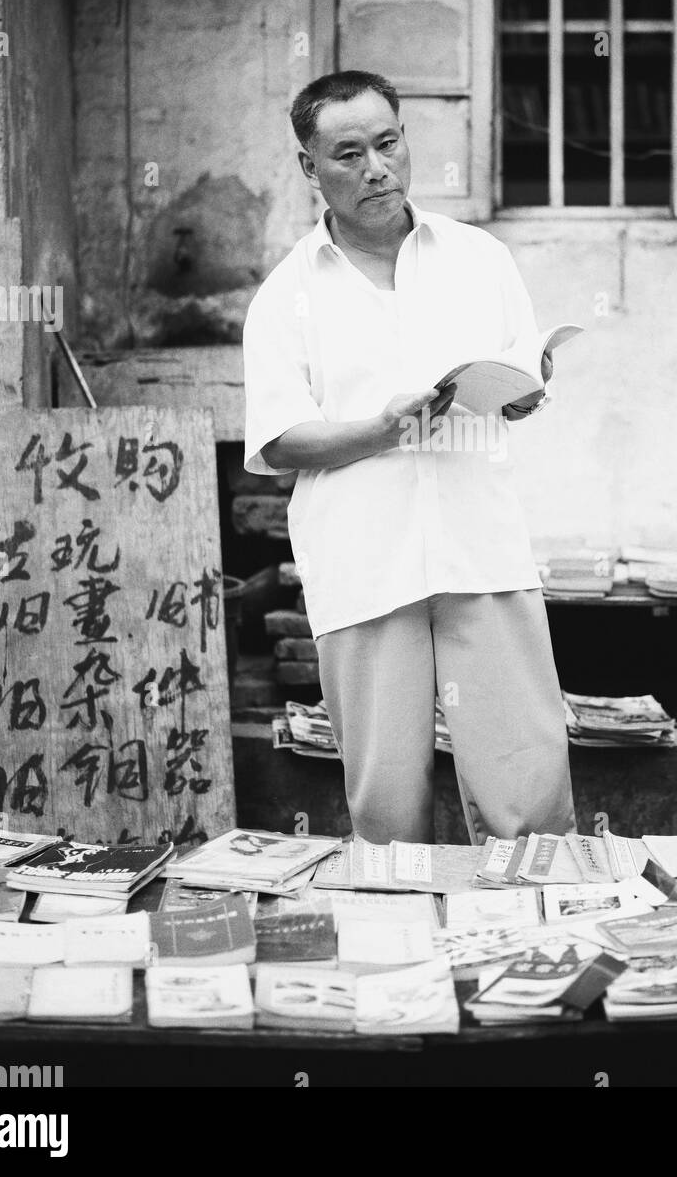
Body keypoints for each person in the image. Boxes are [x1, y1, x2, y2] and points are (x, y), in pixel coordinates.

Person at [243, 70, 576, 845]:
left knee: (526, 790)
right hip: (365, 564)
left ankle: (534, 944)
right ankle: (400, 953)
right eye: (348, 153)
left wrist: (522, 391)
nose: (375, 168)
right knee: (386, 804)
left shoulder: (478, 258)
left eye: (387, 143)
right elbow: (278, 440)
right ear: (308, 168)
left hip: (480, 549)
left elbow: (515, 385)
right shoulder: (286, 295)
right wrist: (380, 430)